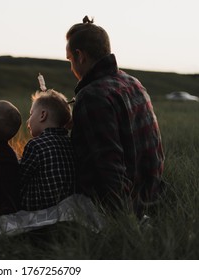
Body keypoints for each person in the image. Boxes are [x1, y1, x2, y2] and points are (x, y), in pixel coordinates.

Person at [65, 16, 165, 216]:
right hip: (153, 196)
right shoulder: (132, 82)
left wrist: (125, 220)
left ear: (80, 56)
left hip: (122, 208)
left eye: (69, 59)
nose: (71, 66)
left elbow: (109, 166)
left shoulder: (92, 95)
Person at [20, 89, 76, 211]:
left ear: (42, 115)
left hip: (40, 207)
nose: (28, 121)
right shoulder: (72, 143)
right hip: (68, 205)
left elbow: (20, 178)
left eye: (31, 114)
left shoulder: (35, 145)